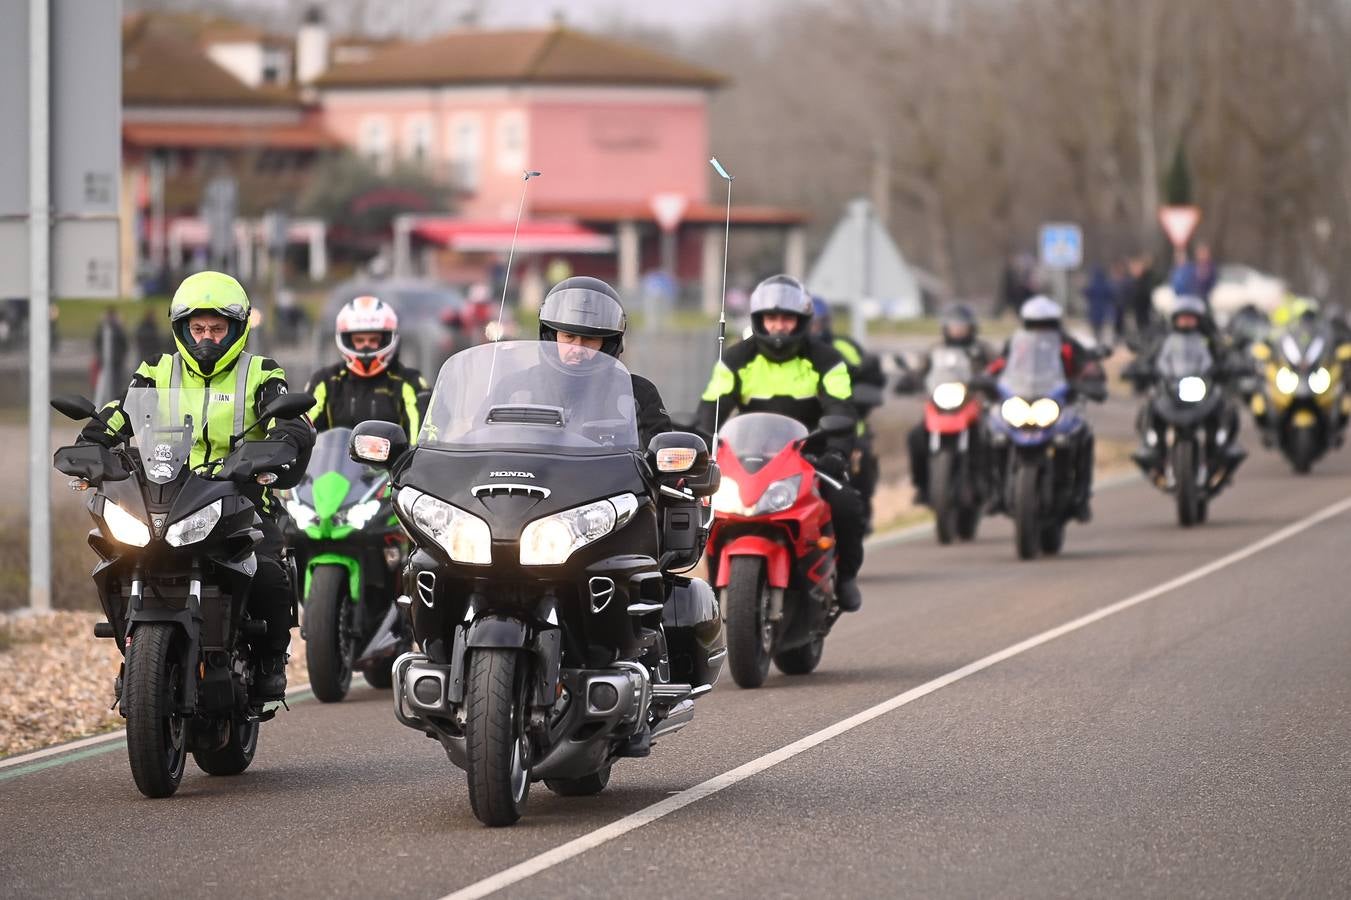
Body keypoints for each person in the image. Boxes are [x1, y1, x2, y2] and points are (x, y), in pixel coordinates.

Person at [77, 271, 315, 700]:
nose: (207, 338)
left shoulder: (260, 373)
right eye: (198, 328)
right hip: (162, 493)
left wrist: (282, 441)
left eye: (217, 329)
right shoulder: (158, 370)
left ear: (236, 330)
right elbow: (122, 411)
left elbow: (290, 419)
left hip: (239, 495)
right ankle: (136, 654)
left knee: (268, 569)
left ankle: (269, 660)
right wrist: (93, 440)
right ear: (182, 328)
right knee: (113, 553)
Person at [696, 274, 865, 612]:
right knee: (702, 508)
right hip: (747, 456)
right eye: (771, 319)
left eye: (786, 319)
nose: (778, 327)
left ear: (801, 322)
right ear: (759, 321)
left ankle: (845, 577)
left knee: (846, 502)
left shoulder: (827, 359)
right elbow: (711, 411)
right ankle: (698, 588)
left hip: (810, 456)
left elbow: (841, 408)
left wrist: (837, 453)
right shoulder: (735, 358)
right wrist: (700, 447)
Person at [988, 296, 1105, 520]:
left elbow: (1089, 367)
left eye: (1045, 324)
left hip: (1058, 403)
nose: (1040, 329)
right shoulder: (1016, 343)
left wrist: (1091, 381)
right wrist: (984, 379)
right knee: (995, 434)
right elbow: (999, 366)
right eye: (1034, 324)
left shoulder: (1068, 344)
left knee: (1083, 434)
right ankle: (996, 491)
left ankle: (1081, 496)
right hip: (1023, 400)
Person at [535, 276, 672, 446]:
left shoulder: (637, 395)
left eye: (589, 339)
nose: (578, 348)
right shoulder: (516, 389)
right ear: (551, 336)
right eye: (569, 337)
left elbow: (661, 460)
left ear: (607, 343)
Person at [1128, 294, 1245, 468]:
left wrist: (1231, 366)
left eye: (1190, 318)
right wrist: (1139, 368)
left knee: (1225, 405)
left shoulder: (1210, 339)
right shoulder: (1163, 340)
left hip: (1202, 386)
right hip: (1171, 386)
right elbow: (1148, 357)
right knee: (1149, 406)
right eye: (1183, 318)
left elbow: (1225, 355)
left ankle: (1224, 444)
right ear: (1175, 319)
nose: (1186, 322)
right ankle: (1151, 445)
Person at [905, 303, 997, 505]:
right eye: (953, 325)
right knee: (915, 437)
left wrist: (990, 383)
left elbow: (998, 369)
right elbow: (921, 371)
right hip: (940, 405)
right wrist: (910, 380)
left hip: (973, 404)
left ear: (971, 327)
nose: (957, 330)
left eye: (961, 325)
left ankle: (991, 485)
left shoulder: (982, 349)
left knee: (992, 438)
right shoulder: (935, 349)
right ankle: (922, 486)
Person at [809, 296, 886, 530]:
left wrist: (864, 383)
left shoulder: (843, 348)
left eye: (816, 324)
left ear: (825, 323)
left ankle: (862, 514)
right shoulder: (782, 355)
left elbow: (873, 377)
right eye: (807, 324)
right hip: (799, 431)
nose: (812, 330)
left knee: (857, 461)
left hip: (847, 425)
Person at [306, 296, 429, 440]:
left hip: (392, 462)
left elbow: (420, 441)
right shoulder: (325, 382)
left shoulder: (410, 382)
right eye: (359, 340)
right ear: (347, 340)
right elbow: (305, 428)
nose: (366, 346)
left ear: (386, 338)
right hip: (336, 462)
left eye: (373, 340)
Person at [92, 307, 128, 406]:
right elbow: (97, 343)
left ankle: (115, 404)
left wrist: (119, 357)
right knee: (102, 385)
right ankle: (102, 405)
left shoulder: (118, 329)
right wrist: (101, 357)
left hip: (116, 363)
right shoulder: (103, 328)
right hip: (105, 363)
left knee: (116, 386)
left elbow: (124, 344)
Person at [1083, 264, 1118, 346]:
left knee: (1095, 329)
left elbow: (1086, 293)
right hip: (1104, 310)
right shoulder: (1106, 284)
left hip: (1094, 310)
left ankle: (1096, 342)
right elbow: (1112, 295)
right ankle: (1101, 343)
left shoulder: (1092, 284)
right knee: (1103, 329)